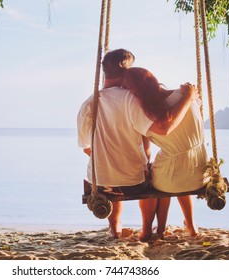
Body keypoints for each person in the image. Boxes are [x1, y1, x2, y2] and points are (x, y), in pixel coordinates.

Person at [77, 49, 198, 239]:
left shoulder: (88, 104)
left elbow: (85, 146)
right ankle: (146, 230)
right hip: (134, 183)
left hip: (100, 183)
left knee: (114, 177)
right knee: (151, 180)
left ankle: (115, 228)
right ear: (126, 70)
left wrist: (108, 159)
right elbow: (162, 129)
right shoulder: (132, 101)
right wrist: (187, 96)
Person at [122, 67, 208, 238]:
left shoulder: (147, 116)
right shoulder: (188, 96)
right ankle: (190, 225)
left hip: (172, 177)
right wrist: (189, 95)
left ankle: (156, 230)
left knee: (158, 178)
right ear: (153, 79)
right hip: (201, 173)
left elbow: (146, 151)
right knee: (174, 169)